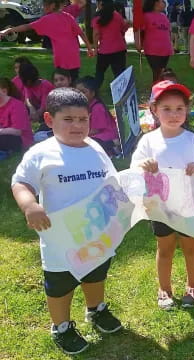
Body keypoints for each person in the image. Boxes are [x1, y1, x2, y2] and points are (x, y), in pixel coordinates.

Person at [11, 88, 122, 355]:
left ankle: (96, 310)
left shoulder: (95, 147)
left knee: (96, 272)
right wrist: (30, 204)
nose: (77, 125)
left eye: (83, 119)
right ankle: (60, 326)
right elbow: (20, 182)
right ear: (49, 120)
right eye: (68, 119)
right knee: (61, 283)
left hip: (97, 232)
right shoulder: (42, 153)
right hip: (59, 237)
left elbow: (112, 180)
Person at [130, 80, 194, 310]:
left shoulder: (193, 141)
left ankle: (192, 285)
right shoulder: (148, 141)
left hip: (187, 205)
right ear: (154, 110)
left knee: (190, 247)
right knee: (164, 249)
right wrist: (144, 166)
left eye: (179, 109)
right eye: (166, 109)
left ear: (187, 110)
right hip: (160, 206)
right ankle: (164, 289)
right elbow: (135, 170)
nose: (174, 114)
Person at [0, 0, 94, 83]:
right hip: (74, 55)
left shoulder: (47, 19)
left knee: (62, 82)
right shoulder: (68, 17)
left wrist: (9, 30)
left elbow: (27, 26)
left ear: (52, 5)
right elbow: (81, 33)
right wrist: (89, 48)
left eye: (44, 5)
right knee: (73, 80)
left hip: (62, 56)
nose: (42, 7)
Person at [76, 76, 119, 156]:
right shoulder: (84, 106)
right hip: (93, 134)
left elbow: (96, 130)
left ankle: (113, 145)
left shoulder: (97, 107)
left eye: (83, 92)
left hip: (104, 136)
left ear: (93, 93)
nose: (80, 95)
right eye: (78, 92)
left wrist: (79, 134)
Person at [92, 0, 129, 89]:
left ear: (101, 4)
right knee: (119, 74)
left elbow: (96, 34)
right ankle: (121, 92)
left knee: (99, 73)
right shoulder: (117, 16)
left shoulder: (97, 17)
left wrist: (96, 49)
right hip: (119, 49)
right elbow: (123, 29)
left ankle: (94, 90)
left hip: (104, 50)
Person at [135, 0, 174, 84]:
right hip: (152, 50)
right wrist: (138, 43)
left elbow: (168, 32)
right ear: (156, 3)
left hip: (165, 50)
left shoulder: (164, 16)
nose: (164, 3)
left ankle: (159, 91)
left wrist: (172, 44)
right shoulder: (146, 17)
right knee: (157, 73)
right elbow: (140, 31)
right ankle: (156, 92)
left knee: (161, 72)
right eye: (162, 1)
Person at [0, 78, 33, 152]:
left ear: (4, 91)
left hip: (20, 139)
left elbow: (17, 131)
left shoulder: (17, 105)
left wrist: (1, 131)